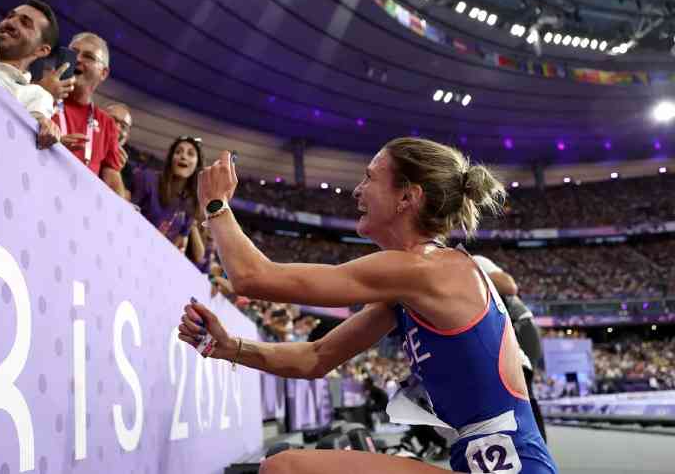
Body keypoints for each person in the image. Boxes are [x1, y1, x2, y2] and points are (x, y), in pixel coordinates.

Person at [178, 138, 557, 474]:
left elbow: (252, 277)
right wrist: (231, 348)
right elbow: (315, 357)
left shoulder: (424, 270)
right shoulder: (415, 281)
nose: (357, 191)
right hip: (491, 462)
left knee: (287, 468)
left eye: (370, 178)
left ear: (407, 197)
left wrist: (216, 205)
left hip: (511, 467)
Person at [472, 255, 547, 442]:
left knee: (522, 388)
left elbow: (509, 286)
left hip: (520, 327)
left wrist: (470, 272)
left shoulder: (473, 261)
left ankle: (537, 444)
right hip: (498, 330)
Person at [54, 32, 125, 196]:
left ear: (103, 73)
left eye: (88, 56)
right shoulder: (43, 94)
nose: (77, 59)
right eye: (74, 52)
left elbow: (113, 181)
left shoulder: (107, 124)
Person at [131, 136, 205, 263]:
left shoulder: (192, 203)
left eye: (190, 154)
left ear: (197, 165)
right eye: (178, 152)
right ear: (171, 159)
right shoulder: (147, 179)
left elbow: (179, 245)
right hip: (132, 249)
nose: (183, 156)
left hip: (155, 263)